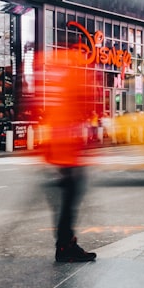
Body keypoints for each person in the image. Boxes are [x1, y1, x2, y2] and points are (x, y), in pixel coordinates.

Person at [41, 47, 97, 263]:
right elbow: (78, 106)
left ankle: (65, 245)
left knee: (66, 202)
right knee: (68, 203)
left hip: (60, 151)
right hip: (67, 153)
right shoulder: (71, 73)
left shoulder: (53, 71)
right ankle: (65, 247)